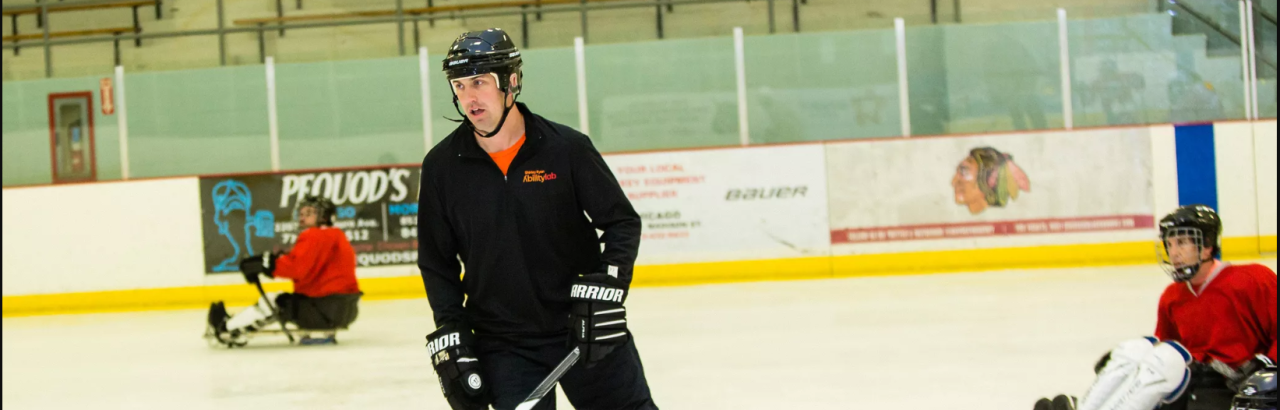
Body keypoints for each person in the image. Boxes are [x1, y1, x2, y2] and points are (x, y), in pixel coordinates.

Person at [417, 28, 658, 410]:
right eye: (460, 85)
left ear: (511, 82)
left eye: (479, 82)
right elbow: (436, 261)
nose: (468, 97)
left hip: (584, 328)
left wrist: (608, 287)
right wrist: (453, 330)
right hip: (504, 343)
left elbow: (621, 221)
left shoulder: (566, 148)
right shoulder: (442, 167)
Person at [1034, 205, 1277, 410]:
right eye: (1169, 244)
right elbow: (1168, 349)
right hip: (1191, 388)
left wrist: (1268, 366)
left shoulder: (1252, 279)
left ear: (1207, 244)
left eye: (1182, 242)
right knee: (1138, 349)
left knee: (1165, 357)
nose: (1174, 253)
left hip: (1233, 390)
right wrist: (1127, 361)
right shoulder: (1173, 296)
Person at [206, 195, 363, 347]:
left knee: (275, 301)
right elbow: (307, 265)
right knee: (282, 300)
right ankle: (235, 324)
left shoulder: (315, 235)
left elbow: (297, 268)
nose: (302, 217)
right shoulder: (335, 235)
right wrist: (273, 262)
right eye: (301, 213)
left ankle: (227, 329)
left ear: (324, 216)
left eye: (309, 213)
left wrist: (269, 264)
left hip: (323, 311)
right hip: (342, 310)